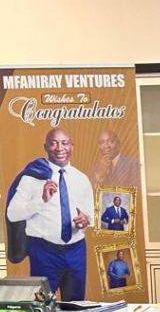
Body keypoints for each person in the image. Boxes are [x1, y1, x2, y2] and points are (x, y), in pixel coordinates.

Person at [6, 128, 94, 301]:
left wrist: (86, 220)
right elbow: (12, 214)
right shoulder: (32, 177)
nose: (59, 148)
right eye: (53, 143)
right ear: (45, 147)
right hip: (44, 251)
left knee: (76, 305)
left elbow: (91, 215)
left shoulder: (81, 179)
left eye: (65, 143)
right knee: (41, 305)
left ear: (72, 147)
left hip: (76, 250)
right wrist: (41, 200)